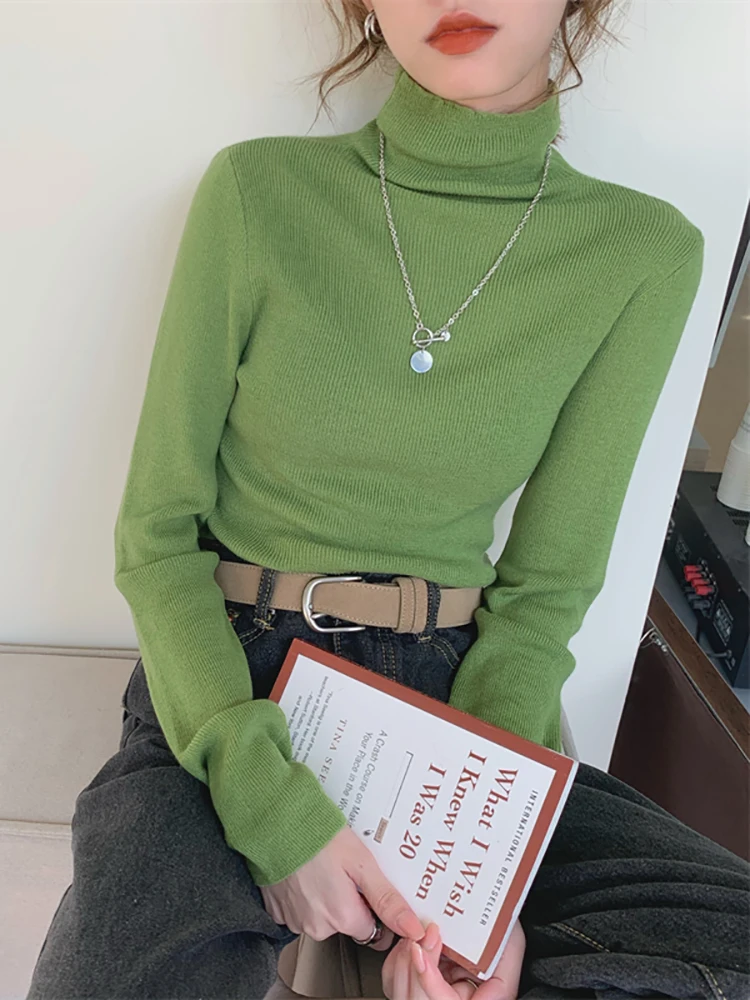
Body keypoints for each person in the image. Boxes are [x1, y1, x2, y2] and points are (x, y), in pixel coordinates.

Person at [26, 2, 749, 999]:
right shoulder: (259, 194)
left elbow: (545, 592)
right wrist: (271, 807)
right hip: (230, 671)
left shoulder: (641, 252)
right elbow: (156, 536)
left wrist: (478, 884)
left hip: (456, 693)